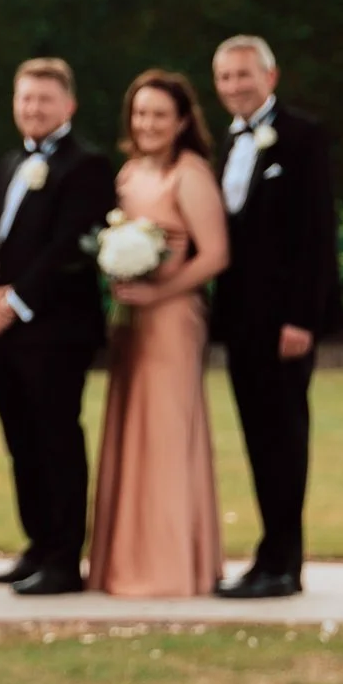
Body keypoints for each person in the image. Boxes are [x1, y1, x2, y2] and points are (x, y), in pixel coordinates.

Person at [0, 58, 119, 597]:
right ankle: (36, 545)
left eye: (43, 100)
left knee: (57, 439)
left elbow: (69, 248)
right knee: (22, 442)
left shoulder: (88, 166)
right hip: (3, 328)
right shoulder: (9, 162)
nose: (32, 109)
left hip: (56, 330)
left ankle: (63, 559)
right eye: (25, 99)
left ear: (68, 106)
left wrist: (19, 300)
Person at [88, 69, 232, 598]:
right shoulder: (127, 176)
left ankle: (170, 566)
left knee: (165, 434)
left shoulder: (189, 173)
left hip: (172, 319)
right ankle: (126, 562)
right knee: (131, 433)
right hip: (131, 320)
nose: (148, 123)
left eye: (159, 115)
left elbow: (216, 254)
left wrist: (158, 294)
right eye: (141, 113)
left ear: (182, 122)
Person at [210, 35, 340, 599]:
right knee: (258, 439)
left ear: (271, 76)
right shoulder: (222, 144)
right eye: (225, 77)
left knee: (285, 439)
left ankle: (285, 562)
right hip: (239, 322)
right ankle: (267, 555)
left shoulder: (303, 138)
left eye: (244, 75)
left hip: (285, 324)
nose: (235, 86)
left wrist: (302, 320)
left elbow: (316, 234)